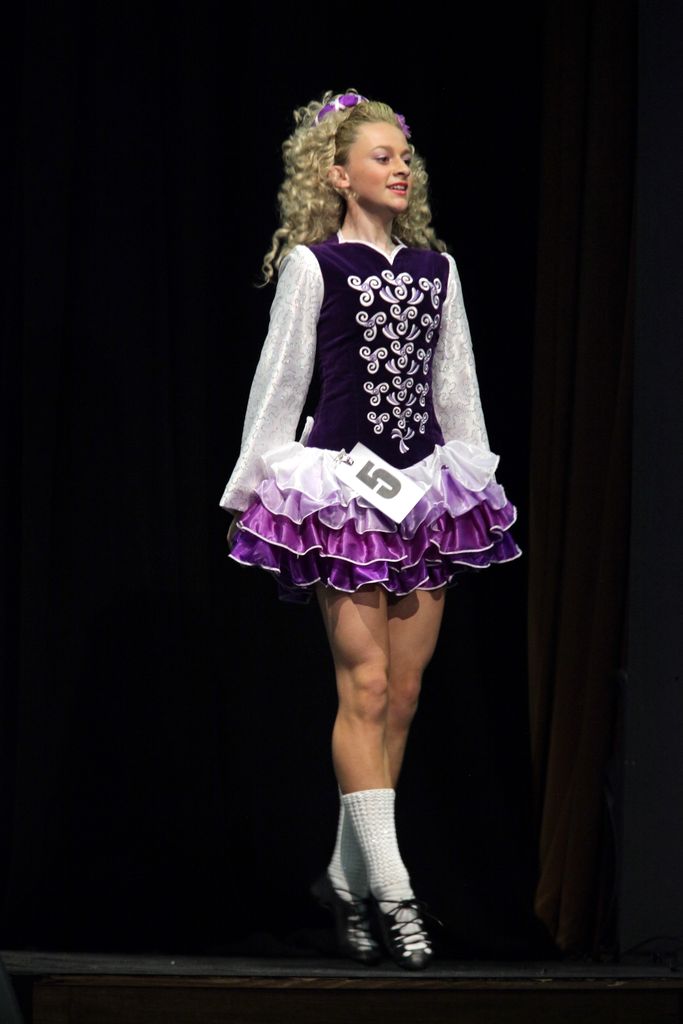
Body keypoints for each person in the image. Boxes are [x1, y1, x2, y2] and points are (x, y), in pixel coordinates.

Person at [219, 89, 521, 970]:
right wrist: (254, 491)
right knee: (366, 684)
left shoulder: (436, 271)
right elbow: (281, 382)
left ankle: (344, 880)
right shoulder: (314, 267)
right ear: (338, 174)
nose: (400, 168)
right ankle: (395, 891)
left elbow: (455, 390)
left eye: (404, 156)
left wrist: (472, 485)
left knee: (405, 693)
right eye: (381, 156)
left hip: (420, 493)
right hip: (343, 493)